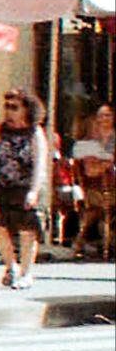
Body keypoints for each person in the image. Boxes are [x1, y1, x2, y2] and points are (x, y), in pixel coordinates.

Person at [0, 89, 50, 290]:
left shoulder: (35, 132)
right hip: (3, 185)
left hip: (25, 186)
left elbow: (40, 163)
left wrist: (34, 190)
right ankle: (10, 266)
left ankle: (27, 272)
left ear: (26, 110)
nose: (9, 112)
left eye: (14, 107)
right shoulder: (3, 129)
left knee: (27, 232)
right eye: (7, 107)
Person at [70, 104, 115, 258]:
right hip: (96, 190)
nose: (104, 119)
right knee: (98, 204)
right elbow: (89, 171)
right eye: (101, 116)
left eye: (108, 115)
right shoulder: (87, 144)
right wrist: (105, 164)